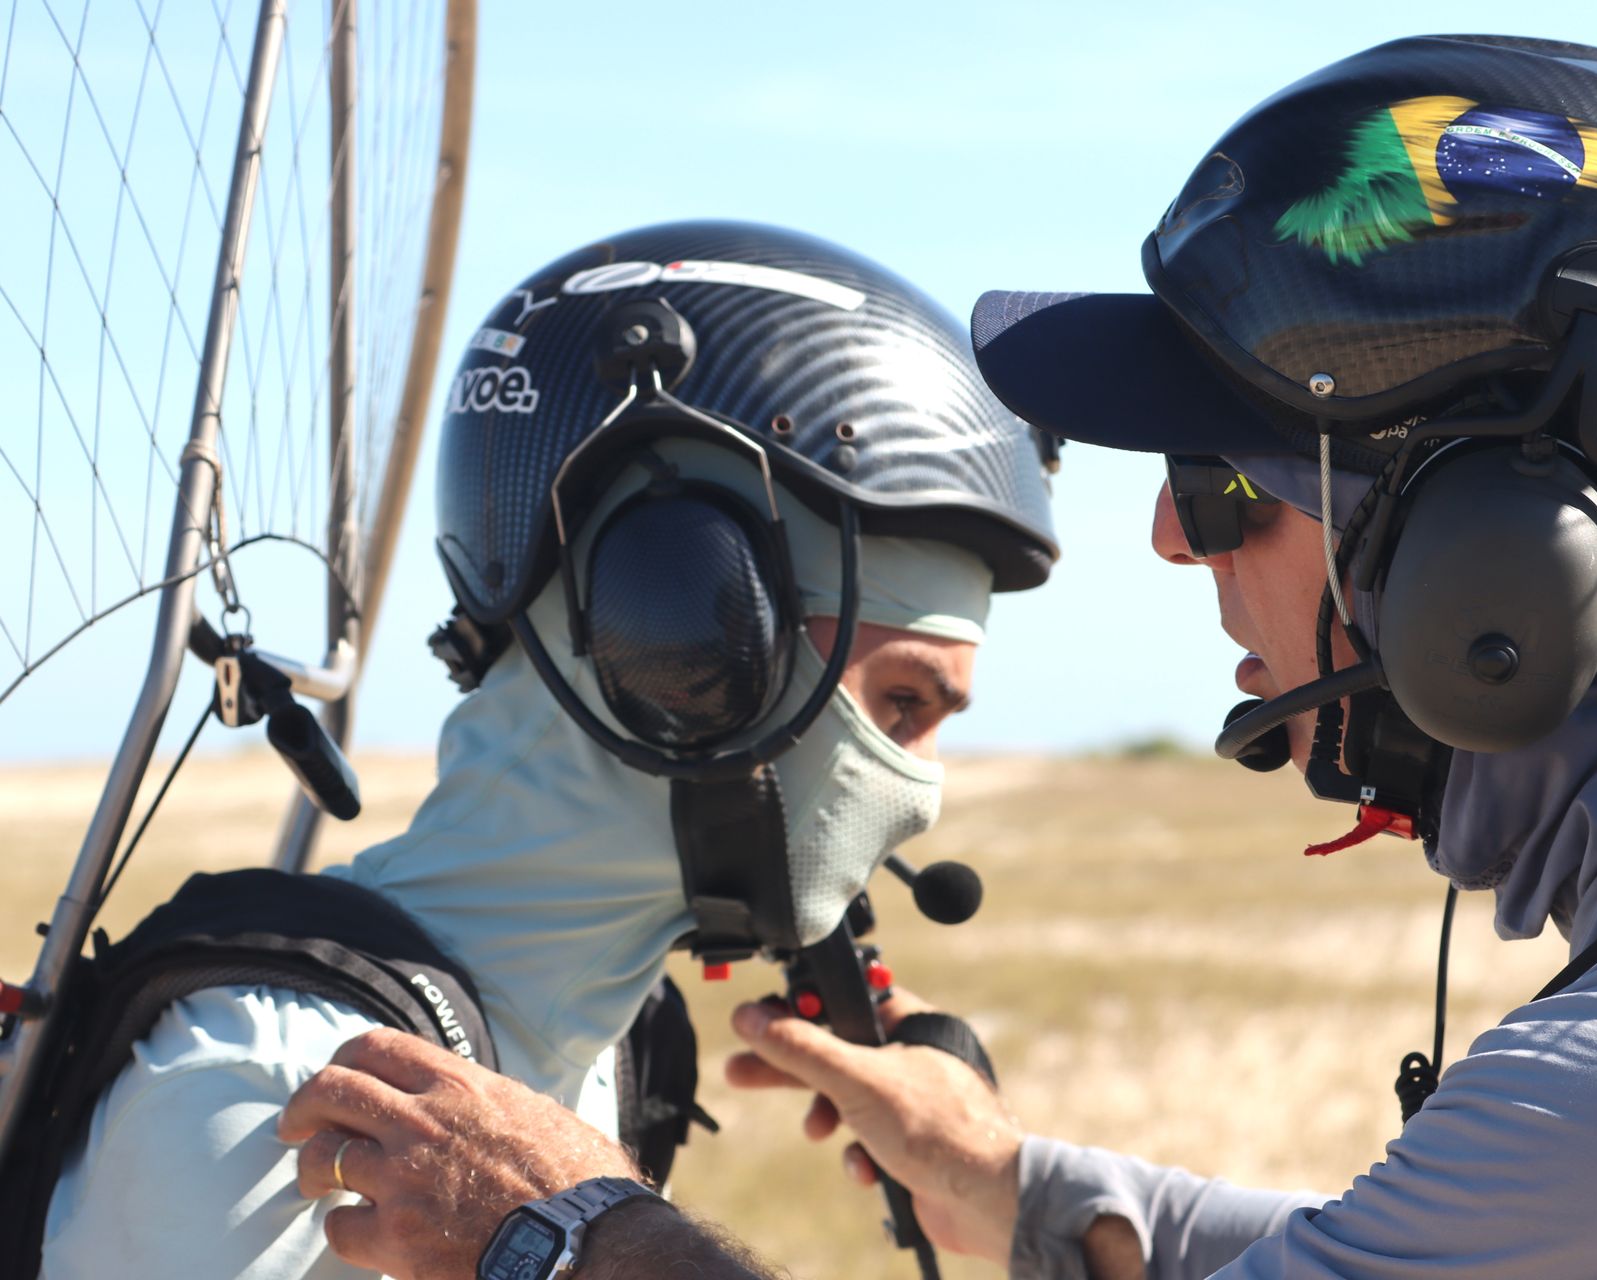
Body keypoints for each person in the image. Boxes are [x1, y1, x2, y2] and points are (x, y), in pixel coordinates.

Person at [283, 33, 1597, 1280]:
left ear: (1494, 552)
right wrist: (1025, 1190)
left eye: (1225, 488)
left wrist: (561, 1238)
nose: (1167, 544)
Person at [34, 220, 1058, 1278]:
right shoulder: (273, 1100)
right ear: (683, 644)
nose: (924, 792)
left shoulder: (609, 1048)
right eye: (899, 704)